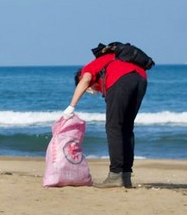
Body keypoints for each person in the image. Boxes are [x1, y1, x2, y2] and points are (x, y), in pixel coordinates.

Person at [62, 43, 147, 188]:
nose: (95, 91)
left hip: (121, 79)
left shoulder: (88, 69)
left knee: (113, 128)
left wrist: (71, 107)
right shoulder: (112, 59)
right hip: (141, 79)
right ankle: (125, 176)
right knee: (126, 129)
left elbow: (86, 79)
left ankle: (115, 175)